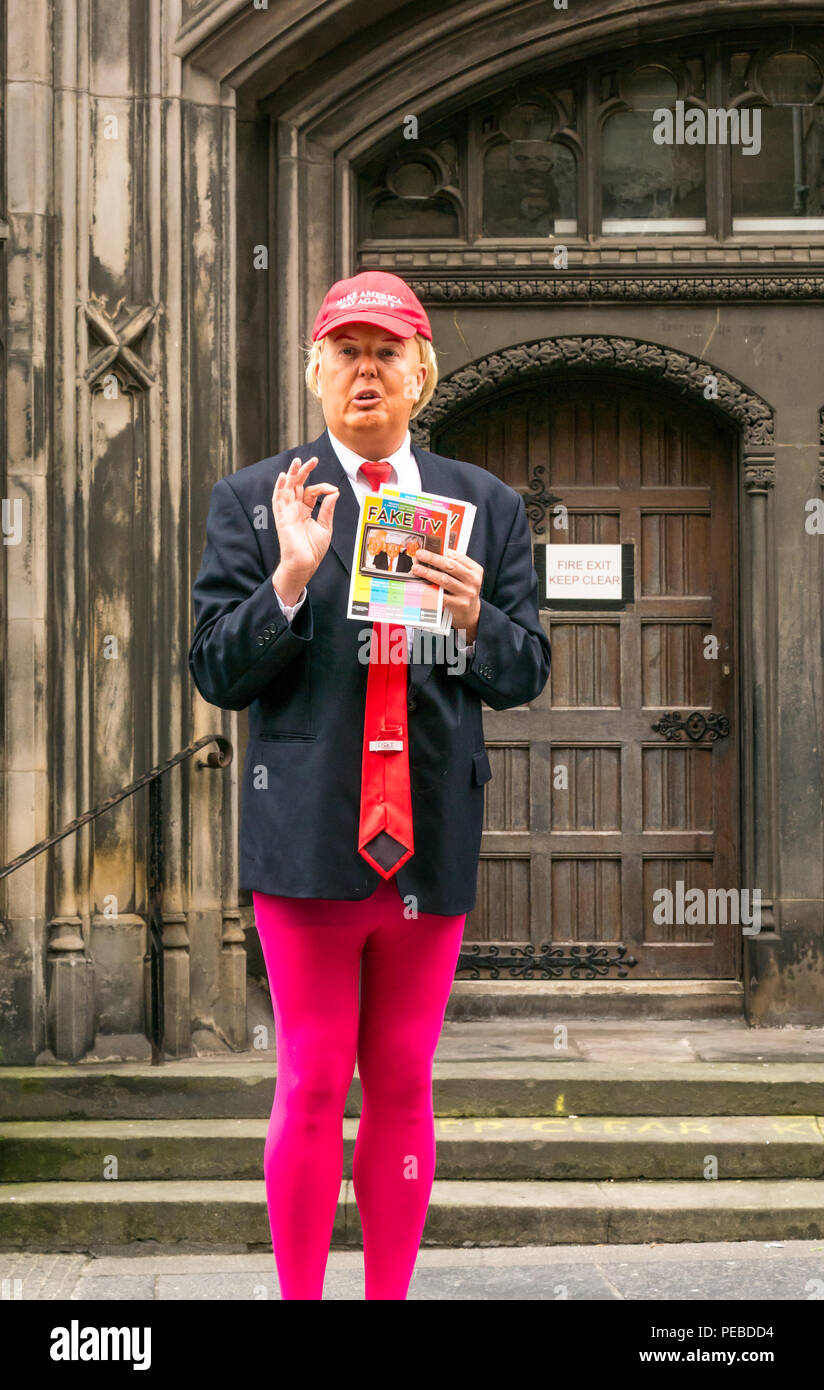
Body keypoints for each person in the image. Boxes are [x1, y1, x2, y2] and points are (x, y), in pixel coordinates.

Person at [188, 269, 551, 1300]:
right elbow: (216, 669)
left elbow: (524, 674)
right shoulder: (259, 502)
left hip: (426, 839)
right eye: (344, 350)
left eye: (384, 351)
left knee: (399, 1082)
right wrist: (288, 580)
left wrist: (481, 616)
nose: (364, 369)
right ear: (314, 370)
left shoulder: (483, 506)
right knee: (309, 1081)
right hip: (305, 842)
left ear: (419, 371)